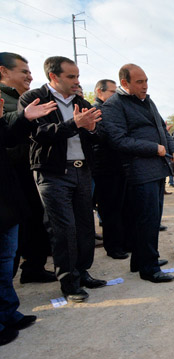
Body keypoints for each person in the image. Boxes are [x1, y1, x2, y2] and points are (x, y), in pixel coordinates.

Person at [17, 56, 106, 301]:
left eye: (77, 76)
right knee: (63, 229)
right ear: (53, 76)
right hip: (53, 173)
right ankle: (69, 283)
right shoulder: (33, 100)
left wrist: (91, 129)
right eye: (71, 76)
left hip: (83, 170)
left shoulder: (83, 102)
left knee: (85, 225)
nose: (77, 81)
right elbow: (39, 134)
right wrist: (74, 124)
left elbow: (99, 136)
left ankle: (83, 271)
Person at [101, 63, 174, 283]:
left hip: (156, 169)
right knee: (146, 220)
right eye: (140, 82)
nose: (145, 86)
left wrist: (173, 150)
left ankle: (142, 259)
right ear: (124, 83)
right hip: (139, 171)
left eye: (146, 81)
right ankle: (149, 268)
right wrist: (153, 148)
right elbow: (118, 140)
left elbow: (162, 129)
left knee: (152, 220)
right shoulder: (113, 105)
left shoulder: (147, 101)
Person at [0, 90, 58, 345]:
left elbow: (10, 137)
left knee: (5, 263)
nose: (2, 103)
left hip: (6, 207)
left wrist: (23, 117)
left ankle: (8, 313)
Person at [0, 52, 56, 283]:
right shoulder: (5, 101)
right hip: (11, 175)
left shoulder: (27, 98)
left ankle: (34, 267)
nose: (30, 77)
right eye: (24, 71)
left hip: (29, 172)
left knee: (35, 222)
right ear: (3, 71)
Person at [91, 79, 130, 260]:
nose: (116, 96)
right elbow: (103, 139)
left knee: (121, 208)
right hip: (105, 167)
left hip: (117, 166)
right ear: (100, 92)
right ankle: (113, 247)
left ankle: (122, 243)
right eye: (112, 92)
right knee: (110, 209)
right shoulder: (96, 112)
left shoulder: (112, 110)